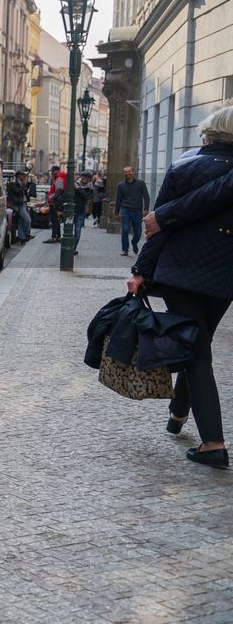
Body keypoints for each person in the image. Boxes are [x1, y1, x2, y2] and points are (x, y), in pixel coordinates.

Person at [128, 106, 233, 468]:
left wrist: (141, 269)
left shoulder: (185, 166)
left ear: (208, 134)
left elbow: (159, 226)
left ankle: (214, 444)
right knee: (197, 341)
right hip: (224, 277)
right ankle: (178, 414)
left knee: (197, 352)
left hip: (181, 272)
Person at [115, 165, 150, 257]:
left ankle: (134, 242)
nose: (127, 173)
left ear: (133, 172)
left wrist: (146, 209)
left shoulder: (140, 183)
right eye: (125, 172)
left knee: (138, 231)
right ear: (124, 173)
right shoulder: (121, 185)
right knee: (125, 230)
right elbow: (118, 199)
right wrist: (116, 212)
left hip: (137, 210)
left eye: (129, 171)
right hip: (125, 209)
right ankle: (125, 249)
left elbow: (146, 196)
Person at [7, 169, 33, 244]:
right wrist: (23, 185)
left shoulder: (21, 183)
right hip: (18, 204)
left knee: (21, 221)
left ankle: (22, 237)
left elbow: (25, 193)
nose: (24, 176)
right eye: (23, 175)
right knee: (28, 220)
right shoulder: (14, 183)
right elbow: (16, 191)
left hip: (23, 203)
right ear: (18, 176)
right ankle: (27, 234)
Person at [72, 172, 93, 254]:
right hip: (71, 210)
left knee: (77, 231)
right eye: (83, 176)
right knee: (68, 231)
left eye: (87, 177)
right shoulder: (74, 184)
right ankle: (68, 247)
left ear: (89, 179)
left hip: (81, 211)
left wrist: (78, 189)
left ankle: (73, 248)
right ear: (81, 177)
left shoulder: (90, 188)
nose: (85, 178)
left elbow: (86, 197)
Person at [45, 165, 67, 242]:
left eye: (52, 171)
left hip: (56, 203)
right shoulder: (59, 178)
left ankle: (54, 237)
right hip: (58, 202)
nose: (51, 173)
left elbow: (59, 190)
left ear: (55, 171)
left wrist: (51, 197)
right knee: (56, 220)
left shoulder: (59, 179)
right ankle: (57, 236)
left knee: (54, 220)